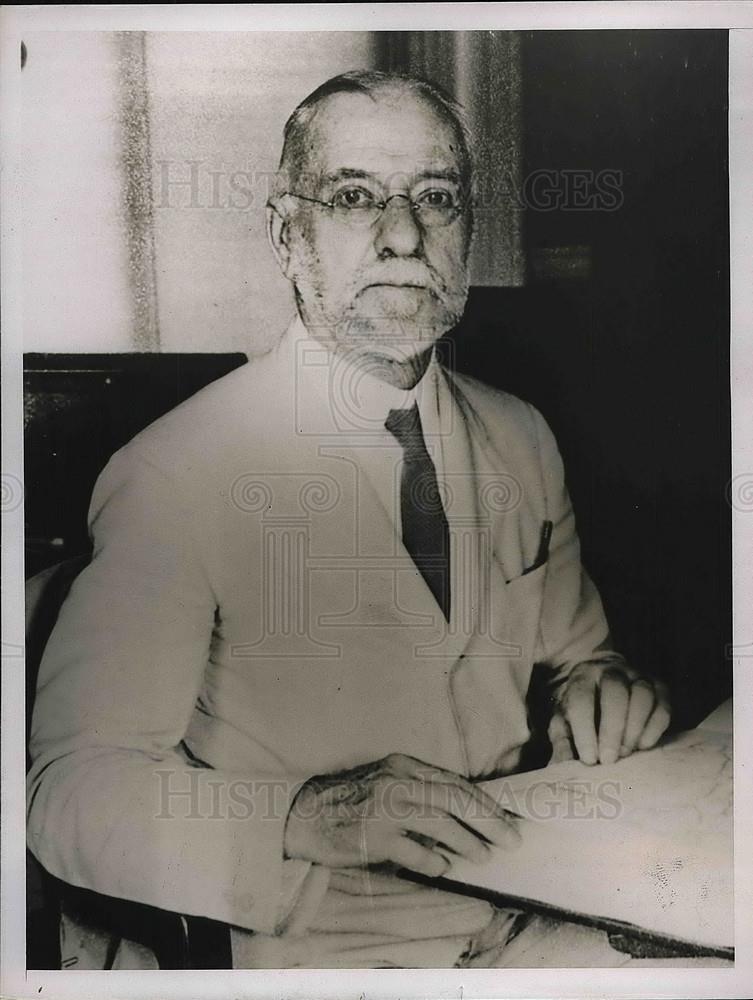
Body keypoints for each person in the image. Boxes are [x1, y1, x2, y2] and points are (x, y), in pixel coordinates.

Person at [27, 70, 671, 969]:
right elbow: (67, 795)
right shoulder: (175, 473)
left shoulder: (521, 435)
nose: (404, 235)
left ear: (467, 231)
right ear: (288, 235)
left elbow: (578, 656)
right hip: (325, 952)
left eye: (435, 199)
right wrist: (297, 815)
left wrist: (600, 684)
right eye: (356, 197)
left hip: (545, 915)